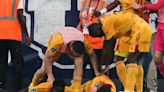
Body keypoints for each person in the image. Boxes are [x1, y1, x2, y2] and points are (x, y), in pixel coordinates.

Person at [93, 0, 153, 91]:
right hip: (125, 28)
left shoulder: (108, 22)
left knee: (133, 60)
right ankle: (130, 87)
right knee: (121, 59)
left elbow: (151, 6)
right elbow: (116, 2)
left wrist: (142, 7)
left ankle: (131, 88)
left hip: (136, 26)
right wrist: (101, 12)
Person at [28, 27, 101, 92]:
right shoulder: (58, 42)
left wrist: (96, 72)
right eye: (72, 54)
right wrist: (50, 76)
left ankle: (76, 86)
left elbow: (92, 55)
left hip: (72, 37)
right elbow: (47, 57)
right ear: (70, 49)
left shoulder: (84, 41)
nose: (72, 57)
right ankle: (33, 83)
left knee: (79, 59)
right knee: (43, 70)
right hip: (59, 41)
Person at [0, 0, 30, 92]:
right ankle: (16, 86)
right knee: (16, 62)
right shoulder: (17, 0)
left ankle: (2, 85)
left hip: (1, 35)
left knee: (1, 61)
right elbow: (20, 16)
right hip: (13, 35)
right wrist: (26, 34)